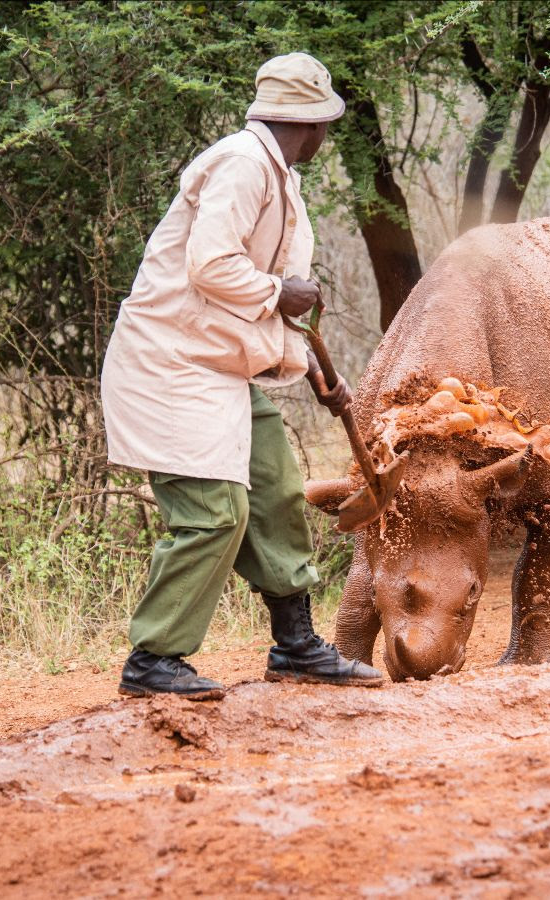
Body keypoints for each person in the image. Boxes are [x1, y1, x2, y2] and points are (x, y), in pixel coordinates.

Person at [101, 53, 384, 698]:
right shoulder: (242, 164)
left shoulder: (279, 175)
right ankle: (153, 659)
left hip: (220, 368)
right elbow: (211, 267)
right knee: (214, 514)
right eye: (326, 124)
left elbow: (248, 304)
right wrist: (281, 291)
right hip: (171, 366)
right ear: (313, 123)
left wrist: (308, 367)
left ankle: (296, 647)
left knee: (275, 491)